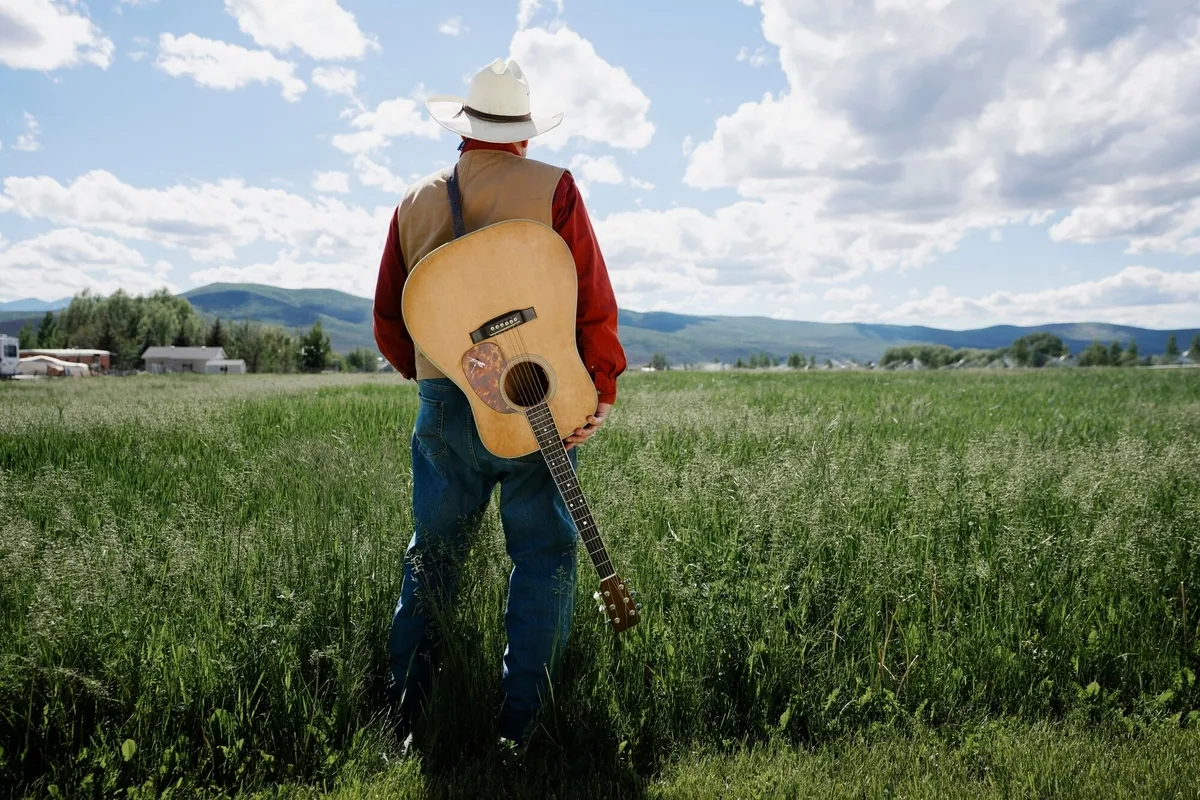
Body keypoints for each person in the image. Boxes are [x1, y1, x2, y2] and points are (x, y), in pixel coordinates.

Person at [372, 57, 627, 750]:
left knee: (434, 558)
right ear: (522, 132)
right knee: (543, 555)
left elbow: (390, 321)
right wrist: (595, 390)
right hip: (536, 400)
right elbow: (592, 302)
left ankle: (408, 720)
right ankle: (522, 728)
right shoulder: (555, 188)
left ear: (465, 128)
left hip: (445, 401)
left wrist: (435, 378)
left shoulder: (414, 201)